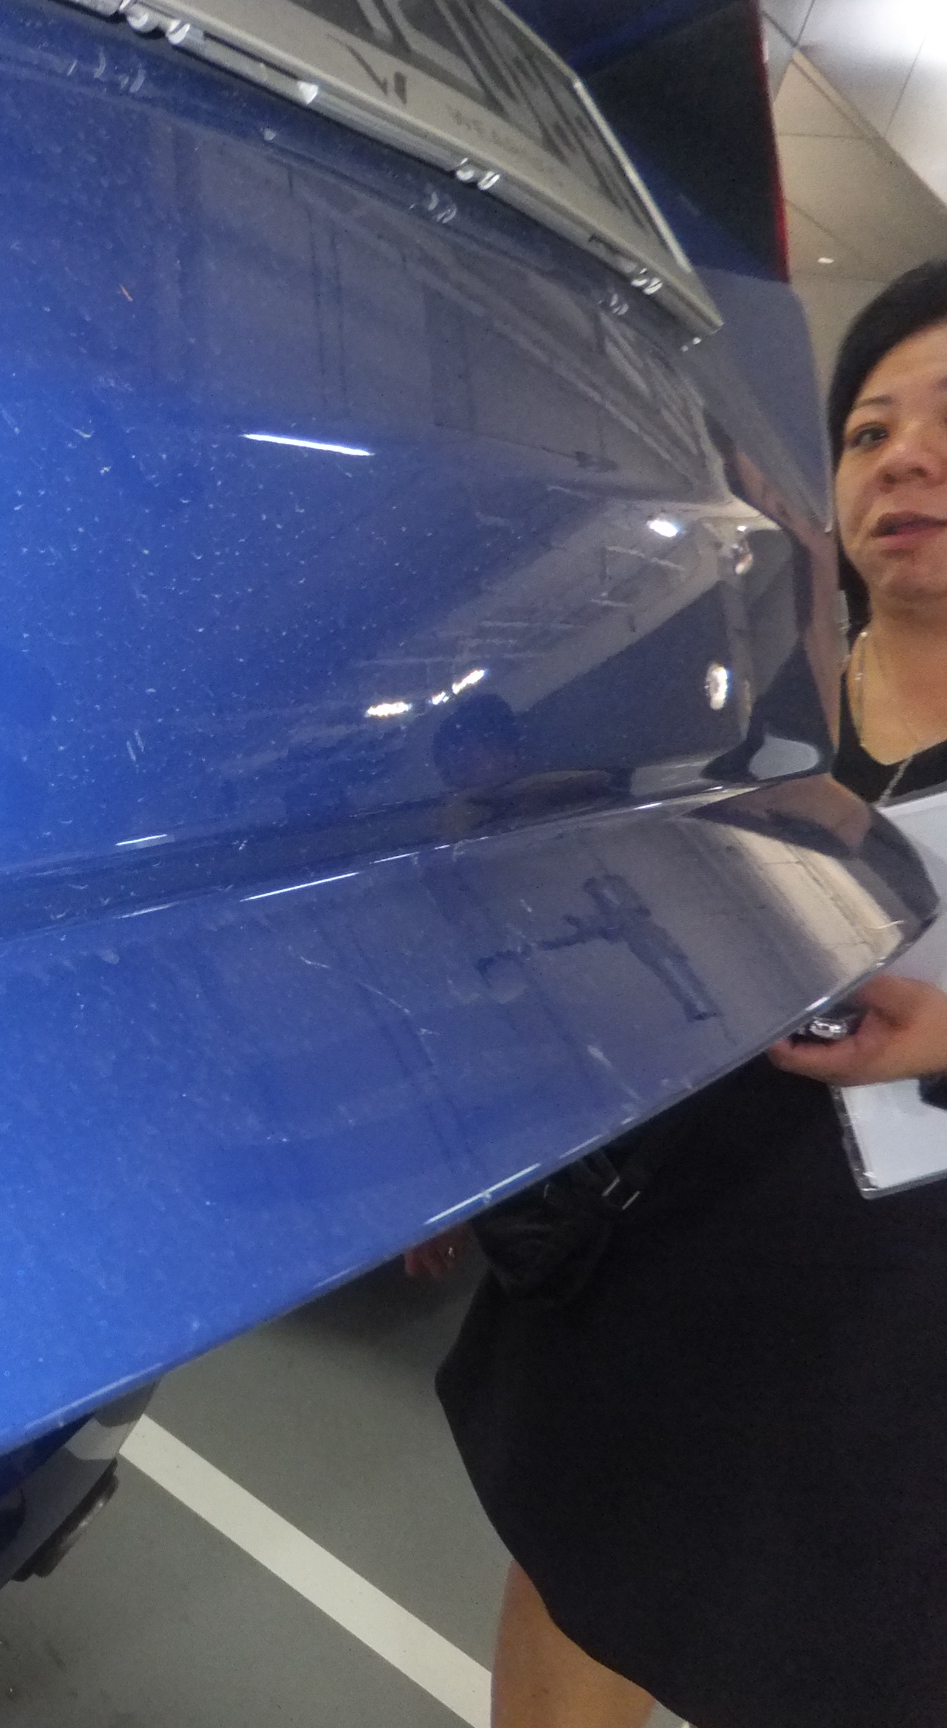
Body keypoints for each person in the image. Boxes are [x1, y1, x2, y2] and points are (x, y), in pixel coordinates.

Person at [435, 257, 947, 1728]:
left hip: (891, 1359)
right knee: (578, 1582)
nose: (904, 456)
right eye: (869, 428)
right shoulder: (746, 707)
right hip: (651, 1269)